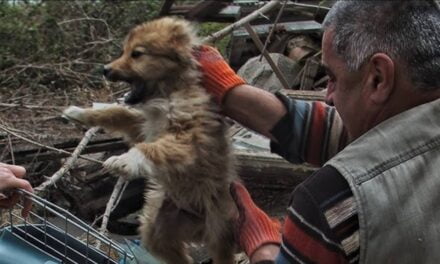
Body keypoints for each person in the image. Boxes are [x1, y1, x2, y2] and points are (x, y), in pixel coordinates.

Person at [195, 0, 440, 263]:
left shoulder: (335, 204)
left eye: (333, 77)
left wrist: (260, 241)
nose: (328, 96)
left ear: (378, 78)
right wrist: (230, 91)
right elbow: (363, 136)